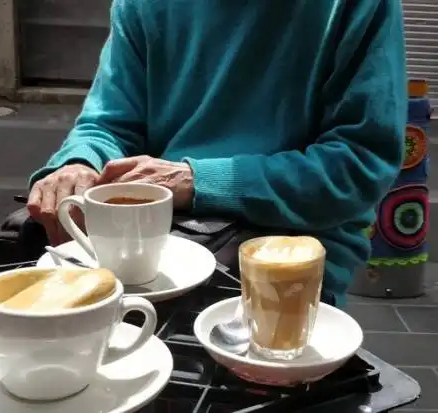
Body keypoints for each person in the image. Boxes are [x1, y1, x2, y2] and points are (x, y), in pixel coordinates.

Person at [26, 0, 406, 307]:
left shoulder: (354, 7)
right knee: (26, 264)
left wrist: (199, 181)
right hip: (155, 230)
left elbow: (358, 165)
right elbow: (109, 123)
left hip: (293, 244)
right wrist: (80, 162)